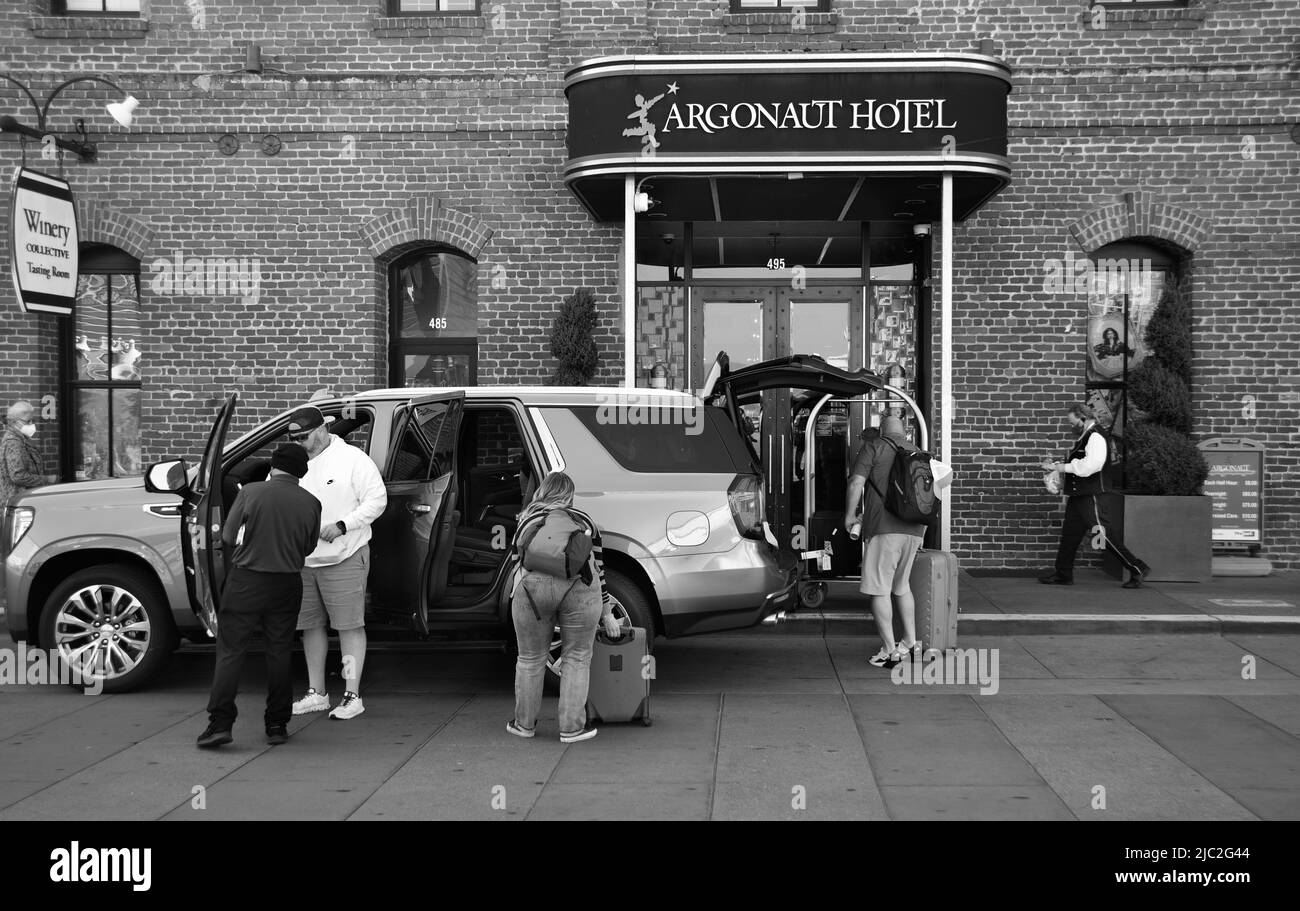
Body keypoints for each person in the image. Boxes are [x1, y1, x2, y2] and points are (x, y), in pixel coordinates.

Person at [198, 444, 321, 749]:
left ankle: (220, 724)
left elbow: (226, 536)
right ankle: (277, 725)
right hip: (287, 585)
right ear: (301, 472)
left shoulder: (251, 492)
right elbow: (308, 548)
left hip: (246, 583)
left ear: (273, 467)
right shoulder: (312, 503)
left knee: (231, 652)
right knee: (279, 653)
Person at [288, 406, 387, 720]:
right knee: (310, 628)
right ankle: (316, 692)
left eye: (303, 437)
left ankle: (351, 693)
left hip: (344, 556)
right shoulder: (293, 461)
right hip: (304, 560)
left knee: (348, 627)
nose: (300, 443)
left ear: (321, 429)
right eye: (293, 438)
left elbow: (377, 500)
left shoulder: (353, 460)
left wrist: (344, 524)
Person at [507, 471, 621, 743]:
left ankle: (524, 725)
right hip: (580, 589)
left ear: (543, 491)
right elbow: (599, 569)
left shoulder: (526, 521)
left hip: (532, 591)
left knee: (530, 659)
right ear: (569, 495)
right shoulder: (584, 522)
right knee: (577, 658)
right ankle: (571, 729)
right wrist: (607, 612)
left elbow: (515, 564)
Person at [845, 415, 928, 668]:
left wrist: (849, 516)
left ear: (882, 429)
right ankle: (911, 645)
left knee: (879, 590)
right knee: (901, 587)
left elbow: (857, 482)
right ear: (905, 431)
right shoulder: (919, 453)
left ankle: (889, 651)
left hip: (883, 527)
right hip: (914, 529)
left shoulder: (874, 446)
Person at [1039, 403, 1149, 588]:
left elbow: (1090, 466)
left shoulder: (1096, 436)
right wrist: (1056, 465)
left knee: (1102, 536)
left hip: (1092, 496)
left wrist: (1060, 467)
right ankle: (1063, 574)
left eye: (1073, 422)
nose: (1071, 426)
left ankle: (1136, 568)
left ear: (1083, 418)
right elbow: (1079, 461)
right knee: (1069, 536)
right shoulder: (1086, 435)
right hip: (1080, 496)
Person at [0, 400, 49, 505]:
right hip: (18, 502)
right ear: (15, 422)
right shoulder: (13, 443)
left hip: (23, 501)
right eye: (28, 421)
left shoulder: (21, 440)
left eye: (33, 420)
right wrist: (46, 479)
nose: (32, 424)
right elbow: (18, 476)